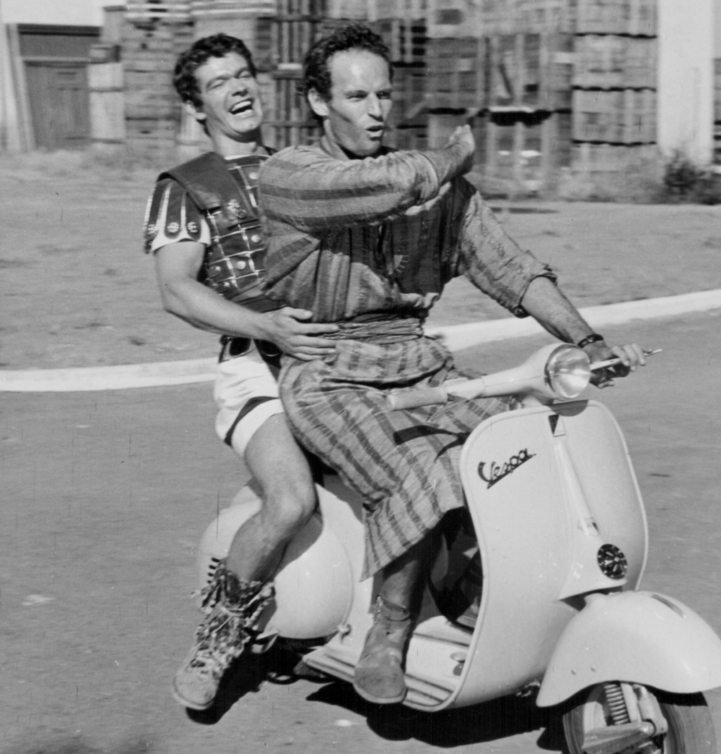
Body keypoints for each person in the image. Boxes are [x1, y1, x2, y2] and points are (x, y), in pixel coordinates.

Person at [257, 23, 647, 705]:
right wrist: (452, 156)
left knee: (524, 433)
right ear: (319, 102)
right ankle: (392, 625)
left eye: (383, 92)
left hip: (419, 359)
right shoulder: (293, 177)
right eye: (356, 96)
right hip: (327, 370)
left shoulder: (441, 191)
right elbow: (387, 187)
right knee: (424, 467)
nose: (376, 108)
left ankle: (481, 577)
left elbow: (512, 270)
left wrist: (588, 341)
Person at [144, 32, 477, 711]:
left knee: (439, 453)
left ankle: (434, 603)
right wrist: (265, 325)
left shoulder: (303, 164)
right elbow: (177, 290)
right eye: (217, 83)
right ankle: (218, 635)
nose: (239, 89)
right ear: (194, 105)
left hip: (341, 355)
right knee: (290, 499)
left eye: (244, 75)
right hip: (257, 367)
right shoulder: (187, 187)